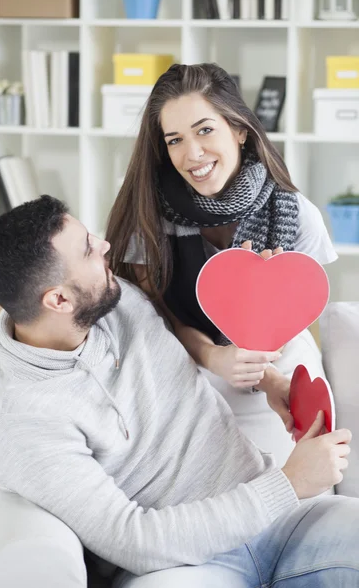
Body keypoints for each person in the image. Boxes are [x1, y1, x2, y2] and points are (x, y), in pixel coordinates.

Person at [0, 195, 358, 588]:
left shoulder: (117, 301)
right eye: (89, 249)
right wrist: (290, 483)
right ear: (58, 300)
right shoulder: (23, 422)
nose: (105, 246)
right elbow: (133, 540)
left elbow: (189, 337)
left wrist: (267, 379)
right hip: (183, 569)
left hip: (283, 525)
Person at [105, 63, 337, 464]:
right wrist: (214, 357)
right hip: (185, 366)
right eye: (174, 139)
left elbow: (297, 321)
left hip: (277, 369)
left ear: (240, 130)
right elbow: (155, 320)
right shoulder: (148, 217)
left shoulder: (298, 215)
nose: (192, 154)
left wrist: (268, 372)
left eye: (205, 129)